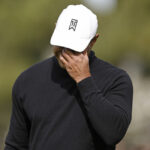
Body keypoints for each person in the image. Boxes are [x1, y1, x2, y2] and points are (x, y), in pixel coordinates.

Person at [4, 4, 133, 150]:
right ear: (55, 29)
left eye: (74, 47)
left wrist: (84, 80)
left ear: (93, 41)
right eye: (62, 42)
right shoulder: (27, 80)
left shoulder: (116, 80)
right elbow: (15, 145)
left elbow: (113, 133)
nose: (65, 51)